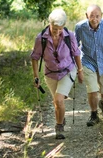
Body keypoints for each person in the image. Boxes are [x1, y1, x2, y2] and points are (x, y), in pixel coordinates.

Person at [30, 8, 84, 140]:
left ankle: (59, 126)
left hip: (67, 71)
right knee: (57, 102)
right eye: (55, 28)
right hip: (50, 73)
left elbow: (76, 53)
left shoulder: (69, 36)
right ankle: (61, 116)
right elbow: (35, 57)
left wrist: (80, 71)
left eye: (60, 28)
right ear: (49, 24)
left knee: (58, 100)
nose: (58, 31)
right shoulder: (41, 38)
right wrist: (36, 76)